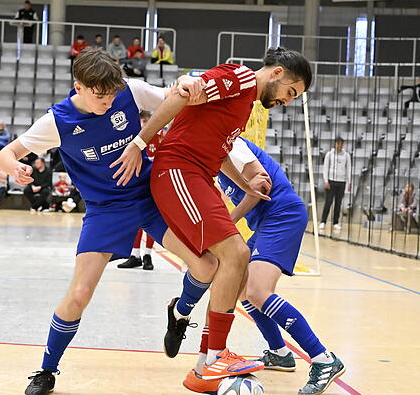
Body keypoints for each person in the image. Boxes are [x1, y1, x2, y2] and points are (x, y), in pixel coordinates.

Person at [0, 49, 248, 395]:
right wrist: (14, 167)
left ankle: (180, 312)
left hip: (151, 197)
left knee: (206, 267)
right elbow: (3, 154)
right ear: (78, 87)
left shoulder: (131, 91)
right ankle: (46, 370)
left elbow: (178, 96)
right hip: (105, 210)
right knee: (80, 293)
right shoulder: (57, 121)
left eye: (113, 94)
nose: (108, 101)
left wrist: (190, 82)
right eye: (100, 96)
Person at [113, 47, 312, 388]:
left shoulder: (244, 102)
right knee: (235, 254)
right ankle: (214, 356)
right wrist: (139, 143)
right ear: (277, 74)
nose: (287, 101)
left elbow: (219, 154)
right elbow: (183, 93)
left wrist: (245, 183)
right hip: (178, 169)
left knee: (228, 263)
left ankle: (208, 357)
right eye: (291, 93)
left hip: (199, 175)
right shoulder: (242, 77)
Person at [208, 137, 346, 395]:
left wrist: (226, 224)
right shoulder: (214, 156)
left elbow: (261, 187)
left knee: (258, 291)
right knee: (241, 288)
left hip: (282, 214)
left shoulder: (231, 145)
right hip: (266, 222)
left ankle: (323, 358)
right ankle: (280, 352)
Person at [117, 110, 167, 270]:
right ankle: (135, 254)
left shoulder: (160, 137)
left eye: (146, 121)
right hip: (138, 182)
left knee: (152, 218)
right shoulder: (133, 139)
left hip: (155, 182)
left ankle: (147, 255)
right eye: (141, 121)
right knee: (137, 218)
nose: (144, 125)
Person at [319, 137, 351, 233]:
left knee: (338, 203)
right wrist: (326, 181)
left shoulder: (346, 156)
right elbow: (325, 168)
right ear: (335, 144)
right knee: (328, 202)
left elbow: (348, 169)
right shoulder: (329, 154)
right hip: (331, 181)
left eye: (341, 144)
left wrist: (349, 182)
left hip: (341, 182)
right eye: (338, 143)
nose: (339, 145)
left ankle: (335, 222)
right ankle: (323, 221)